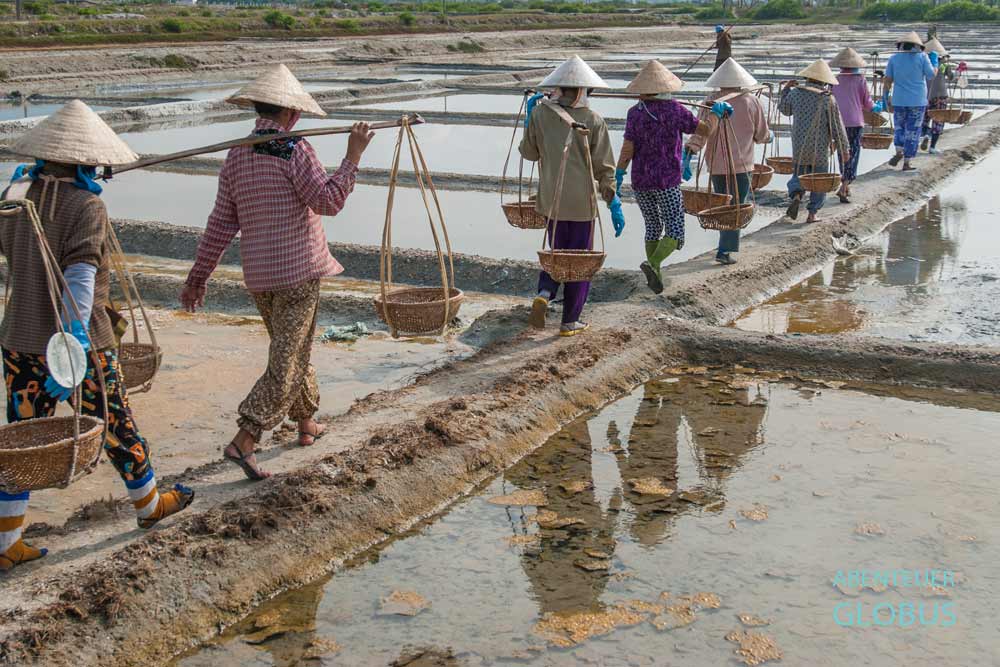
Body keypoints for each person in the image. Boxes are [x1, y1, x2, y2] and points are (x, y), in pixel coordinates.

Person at [0, 101, 194, 570]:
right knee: (115, 422)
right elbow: (81, 279)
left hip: (19, 340)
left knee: (24, 437)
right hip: (76, 344)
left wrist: (16, 187)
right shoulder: (87, 205)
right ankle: (150, 506)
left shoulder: (13, 199)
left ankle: (7, 544)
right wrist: (74, 346)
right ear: (87, 161)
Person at [180, 65, 375, 480]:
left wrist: (199, 276)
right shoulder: (294, 149)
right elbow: (328, 201)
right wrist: (353, 156)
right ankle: (245, 439)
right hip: (298, 274)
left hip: (262, 277)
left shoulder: (237, 154)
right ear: (291, 113)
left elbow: (221, 223)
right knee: (286, 360)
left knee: (294, 350)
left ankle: (306, 424)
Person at [520, 56, 617, 336]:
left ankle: (544, 293)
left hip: (551, 201)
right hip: (582, 205)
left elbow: (529, 153)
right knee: (580, 264)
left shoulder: (540, 114)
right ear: (584, 91)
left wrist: (531, 119)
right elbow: (604, 168)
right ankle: (569, 321)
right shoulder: (594, 120)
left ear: (559, 88)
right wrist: (612, 199)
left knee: (557, 253)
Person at [616, 60, 731, 292]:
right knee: (676, 230)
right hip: (666, 180)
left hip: (640, 180)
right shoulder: (675, 110)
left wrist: (619, 173)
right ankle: (653, 263)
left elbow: (628, 147)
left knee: (652, 225)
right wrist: (716, 115)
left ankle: (655, 273)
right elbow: (705, 131)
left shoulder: (635, 112)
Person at [686, 57, 769, 266]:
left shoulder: (710, 102)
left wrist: (691, 149)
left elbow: (702, 131)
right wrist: (768, 137)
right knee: (737, 207)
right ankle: (724, 250)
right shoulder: (751, 101)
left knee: (724, 204)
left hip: (717, 164)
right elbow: (761, 134)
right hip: (742, 165)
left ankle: (723, 246)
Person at [780, 59, 850, 224]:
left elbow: (785, 110)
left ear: (808, 78)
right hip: (819, 147)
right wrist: (844, 149)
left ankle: (797, 194)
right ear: (824, 81)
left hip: (799, 145)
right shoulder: (827, 98)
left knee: (799, 174)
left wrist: (785, 90)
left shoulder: (795, 93)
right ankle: (812, 214)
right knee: (819, 180)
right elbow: (837, 126)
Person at [831, 47, 881, 203]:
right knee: (853, 152)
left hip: (837, 122)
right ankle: (845, 185)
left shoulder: (833, 79)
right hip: (854, 122)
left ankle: (845, 184)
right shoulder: (860, 79)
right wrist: (876, 107)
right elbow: (867, 103)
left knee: (842, 153)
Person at [884, 31, 936, 171]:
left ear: (901, 46)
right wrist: (934, 62)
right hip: (917, 100)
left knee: (899, 127)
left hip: (899, 99)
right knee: (913, 130)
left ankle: (898, 151)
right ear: (917, 46)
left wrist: (885, 97)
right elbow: (931, 75)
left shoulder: (894, 58)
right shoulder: (922, 57)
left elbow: (888, 79)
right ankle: (906, 162)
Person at [921, 38, 955, 155]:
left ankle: (925, 134)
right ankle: (932, 147)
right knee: (938, 120)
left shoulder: (924, 63)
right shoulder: (944, 64)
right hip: (941, 95)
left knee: (924, 119)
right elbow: (951, 77)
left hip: (926, 95)